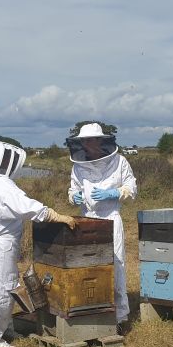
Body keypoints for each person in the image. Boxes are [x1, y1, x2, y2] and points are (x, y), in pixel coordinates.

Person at [0, 139, 76, 347]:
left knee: (4, 287)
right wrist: (53, 214)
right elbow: (26, 207)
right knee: (1, 290)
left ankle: (3, 329)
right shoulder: (1, 185)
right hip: (0, 243)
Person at [66, 122, 137, 332]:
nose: (86, 144)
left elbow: (131, 188)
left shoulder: (120, 161)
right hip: (87, 219)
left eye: (90, 139)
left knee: (116, 265)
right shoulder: (78, 166)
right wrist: (75, 197)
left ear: (100, 140)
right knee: (89, 268)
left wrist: (115, 193)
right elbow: (72, 191)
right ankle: (92, 312)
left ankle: (120, 316)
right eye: (83, 141)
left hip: (111, 218)